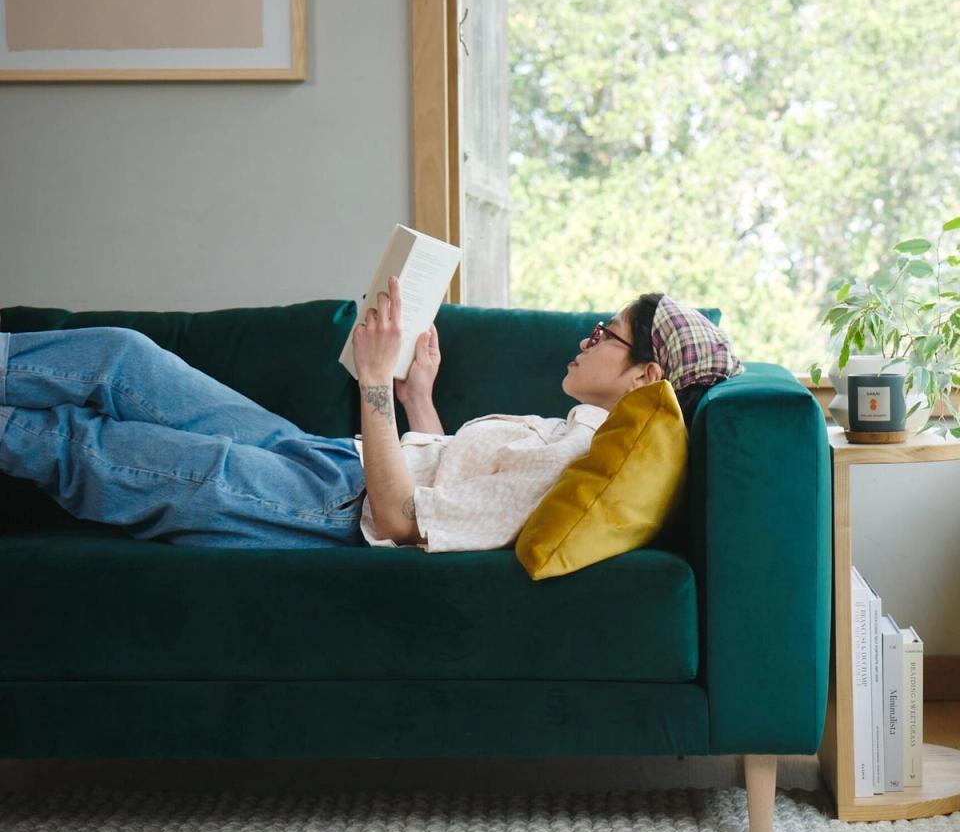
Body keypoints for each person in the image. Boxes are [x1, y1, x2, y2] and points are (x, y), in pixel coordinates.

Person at [0, 278, 741, 550]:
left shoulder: (578, 467)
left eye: (606, 333)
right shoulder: (580, 430)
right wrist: (419, 397)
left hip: (326, 504)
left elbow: (400, 517)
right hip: (331, 458)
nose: (587, 337)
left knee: (86, 444)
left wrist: (378, 383)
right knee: (125, 357)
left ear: (646, 374)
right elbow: (450, 479)